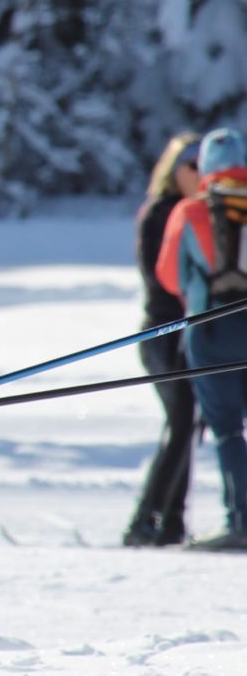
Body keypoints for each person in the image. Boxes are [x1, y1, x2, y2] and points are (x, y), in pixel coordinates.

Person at [156, 127, 247, 553]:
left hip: (211, 331)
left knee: (228, 429)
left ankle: (240, 518)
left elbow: (169, 275)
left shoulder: (191, 211)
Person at [123, 133, 202, 547]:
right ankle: (146, 520)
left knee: (190, 424)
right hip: (162, 332)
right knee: (183, 419)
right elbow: (161, 279)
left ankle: (170, 520)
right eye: (193, 166)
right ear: (175, 171)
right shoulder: (162, 212)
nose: (201, 174)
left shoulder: (204, 212)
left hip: (192, 333)